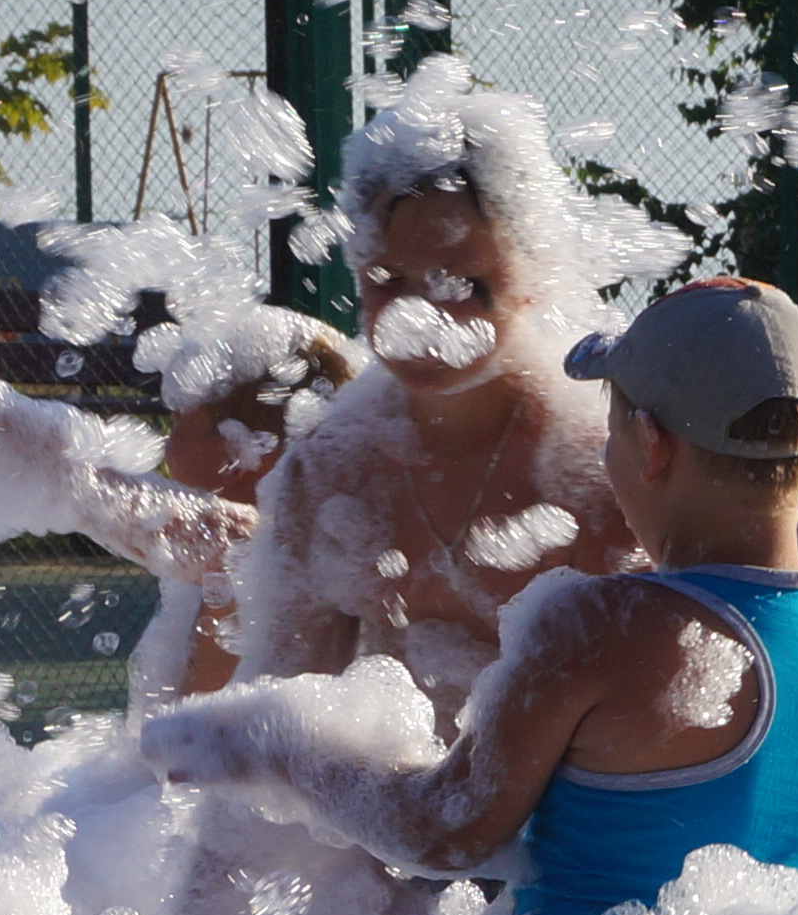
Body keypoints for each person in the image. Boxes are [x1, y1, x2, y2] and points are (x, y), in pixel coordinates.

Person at [142, 281, 798, 915]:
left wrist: (278, 743)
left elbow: (442, 828)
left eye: (611, 432)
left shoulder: (598, 625)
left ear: (651, 445)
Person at [231, 62, 645, 724]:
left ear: (535, 271)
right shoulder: (332, 469)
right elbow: (283, 720)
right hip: (397, 810)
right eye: (389, 280)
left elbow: (650, 729)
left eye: (462, 283)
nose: (421, 319)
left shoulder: (601, 467)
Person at [0, 268, 360, 704]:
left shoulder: (258, 549)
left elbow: (91, 488)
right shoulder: (285, 551)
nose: (167, 430)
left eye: (182, 418)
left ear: (246, 453)